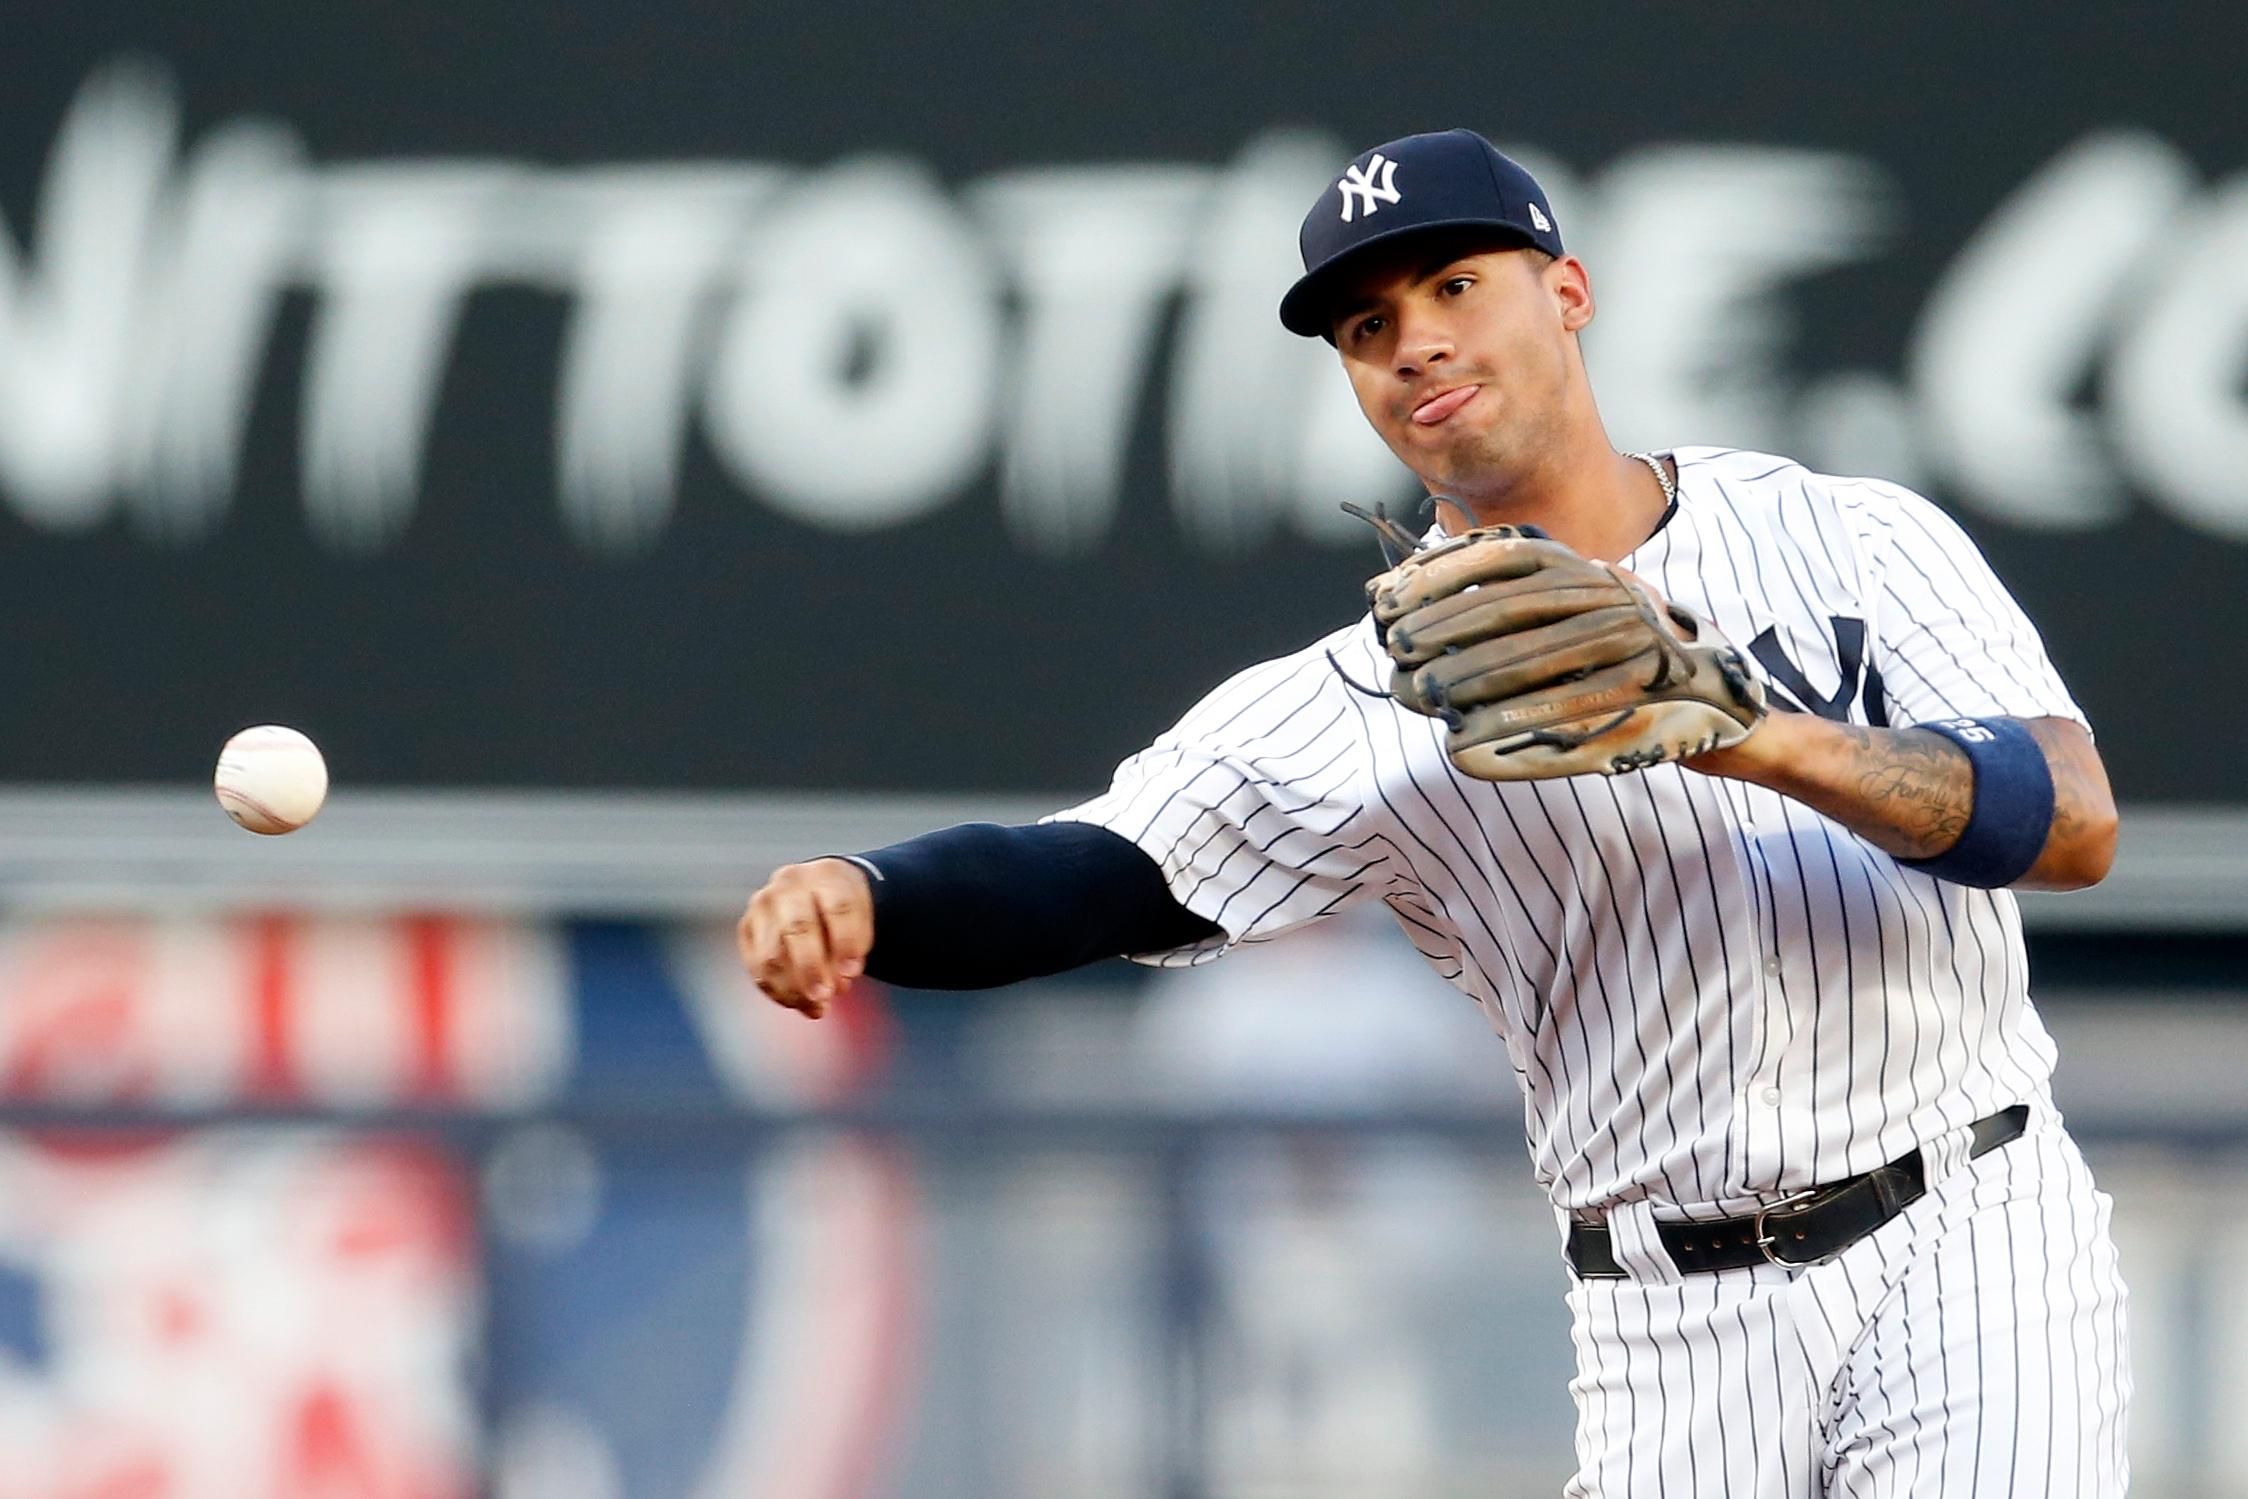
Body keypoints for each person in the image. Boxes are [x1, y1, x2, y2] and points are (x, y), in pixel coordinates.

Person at [738, 128, 2129, 1496]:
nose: (1414, 343)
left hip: (1970, 1224)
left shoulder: (1851, 535)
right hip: (1673, 1314)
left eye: (1457, 285)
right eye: (1366, 324)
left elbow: (2072, 824)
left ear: (1568, 293)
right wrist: (868, 894)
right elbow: (1089, 871)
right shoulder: (1356, 705)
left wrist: (1755, 736)